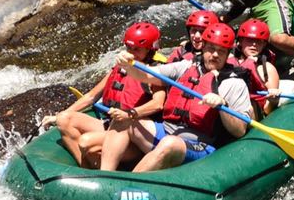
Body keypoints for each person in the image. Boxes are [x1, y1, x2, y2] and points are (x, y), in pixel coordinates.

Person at [99, 21, 253, 172]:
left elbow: (239, 130)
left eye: (221, 51)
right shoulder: (186, 66)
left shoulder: (235, 83)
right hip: (166, 132)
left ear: (228, 54)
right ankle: (105, 175)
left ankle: (127, 186)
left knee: (170, 143)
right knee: (123, 121)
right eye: (211, 48)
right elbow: (146, 75)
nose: (215, 54)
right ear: (203, 46)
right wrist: (128, 64)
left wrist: (222, 106)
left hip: (201, 146)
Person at [41, 22, 166, 168]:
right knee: (64, 119)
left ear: (150, 50)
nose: (130, 53)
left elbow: (158, 104)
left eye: (137, 49)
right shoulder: (122, 67)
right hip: (110, 125)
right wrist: (58, 115)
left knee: (86, 141)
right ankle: (85, 170)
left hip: (133, 139)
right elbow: (91, 96)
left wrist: (130, 114)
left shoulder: (156, 72)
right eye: (128, 48)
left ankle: (100, 174)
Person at [233, 18, 281, 117]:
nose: (254, 44)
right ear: (240, 41)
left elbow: (268, 110)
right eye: (250, 40)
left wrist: (273, 101)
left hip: (253, 112)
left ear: (264, 45)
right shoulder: (229, 61)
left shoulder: (267, 68)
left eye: (258, 41)